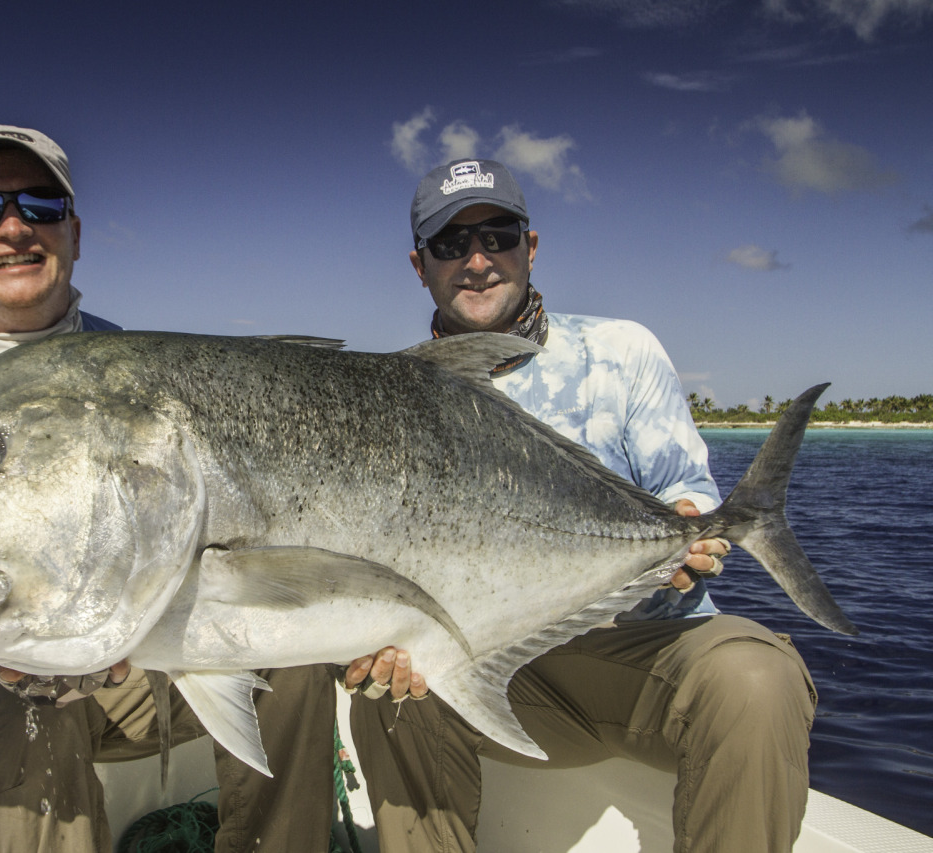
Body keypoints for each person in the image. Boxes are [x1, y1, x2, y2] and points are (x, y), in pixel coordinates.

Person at [0, 124, 338, 852]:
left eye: (39, 205)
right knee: (25, 708)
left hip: (110, 651)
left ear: (74, 233)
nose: (11, 228)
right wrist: (51, 645)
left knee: (289, 648)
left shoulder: (120, 359)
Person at [343, 159, 817, 853]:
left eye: (497, 236)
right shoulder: (389, 398)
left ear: (529, 247)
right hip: (489, 659)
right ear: (421, 266)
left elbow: (686, 493)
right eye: (450, 243)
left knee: (757, 678)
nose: (477, 260)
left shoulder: (621, 351)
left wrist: (690, 528)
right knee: (388, 697)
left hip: (641, 651)